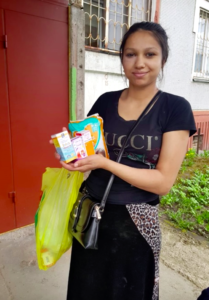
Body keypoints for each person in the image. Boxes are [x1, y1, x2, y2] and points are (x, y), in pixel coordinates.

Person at [54, 22, 196, 300]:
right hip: (92, 212)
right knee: (87, 288)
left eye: (150, 54)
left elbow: (163, 182)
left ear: (162, 59)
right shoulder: (105, 102)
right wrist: (69, 154)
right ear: (122, 58)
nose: (139, 63)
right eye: (130, 54)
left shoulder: (175, 108)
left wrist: (105, 164)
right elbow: (86, 149)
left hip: (136, 223)